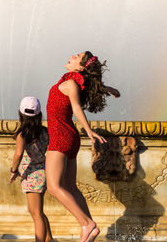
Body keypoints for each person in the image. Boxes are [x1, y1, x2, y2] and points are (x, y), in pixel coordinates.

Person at [46, 51, 120, 242]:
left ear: (80, 67)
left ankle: (87, 224)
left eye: (76, 56)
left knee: (53, 187)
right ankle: (87, 229)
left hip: (61, 137)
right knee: (70, 186)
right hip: (69, 137)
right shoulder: (75, 83)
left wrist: (88, 130)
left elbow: (77, 107)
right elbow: (89, 86)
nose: (71, 55)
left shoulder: (70, 84)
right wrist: (107, 89)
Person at [9, 96, 53, 242]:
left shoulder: (23, 135)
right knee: (36, 211)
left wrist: (13, 170)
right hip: (43, 171)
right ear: (39, 115)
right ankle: (49, 239)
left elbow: (18, 154)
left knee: (36, 214)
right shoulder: (45, 132)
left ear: (20, 114)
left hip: (32, 175)